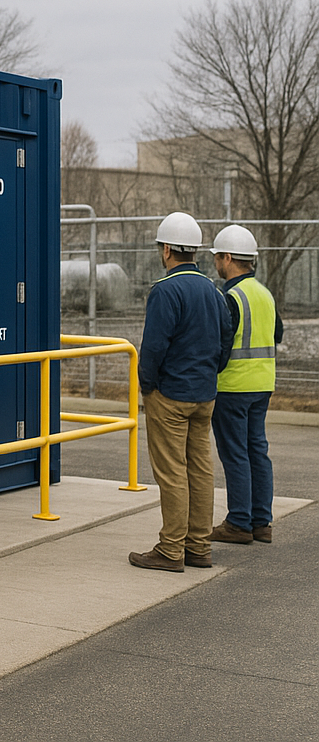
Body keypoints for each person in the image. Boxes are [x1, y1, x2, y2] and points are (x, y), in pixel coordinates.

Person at [130, 212, 233, 572]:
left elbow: (153, 347)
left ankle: (171, 549)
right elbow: (226, 339)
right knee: (200, 470)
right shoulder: (213, 291)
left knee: (172, 472)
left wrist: (147, 385)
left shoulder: (165, 290)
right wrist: (210, 373)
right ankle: (198, 547)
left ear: (167, 250)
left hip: (170, 395)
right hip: (204, 394)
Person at [208, 224, 282, 545]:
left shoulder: (231, 297)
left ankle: (238, 522)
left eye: (217, 257)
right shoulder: (265, 293)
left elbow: (221, 345)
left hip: (233, 386)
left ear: (227, 258)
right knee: (257, 451)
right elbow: (277, 334)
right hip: (262, 384)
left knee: (235, 453)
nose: (215, 263)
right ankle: (261, 522)